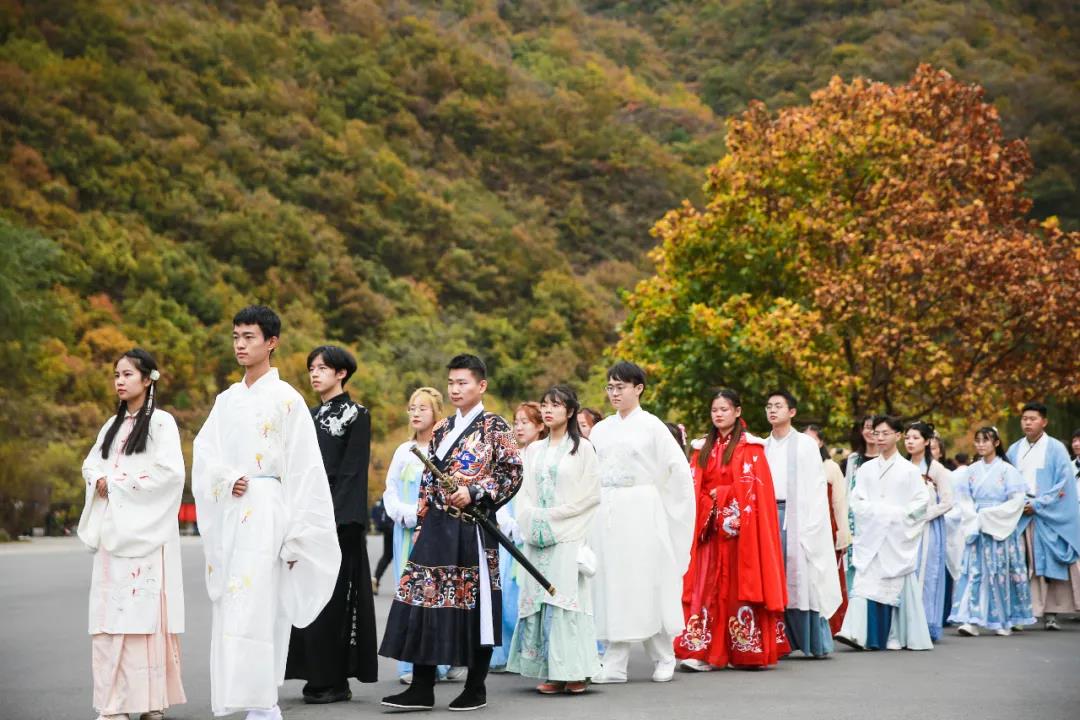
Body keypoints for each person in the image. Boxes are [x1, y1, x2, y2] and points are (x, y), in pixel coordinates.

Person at [193, 306, 341, 719]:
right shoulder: (226, 401)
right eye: (236, 337)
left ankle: (264, 703)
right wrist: (226, 478)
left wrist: (297, 536)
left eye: (249, 337)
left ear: (271, 342)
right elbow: (205, 454)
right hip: (233, 509)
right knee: (234, 603)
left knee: (262, 605)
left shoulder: (287, 399)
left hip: (269, 509)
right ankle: (239, 697)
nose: (240, 345)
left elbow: (306, 471)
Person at [379, 355, 523, 712]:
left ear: (481, 385)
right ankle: (421, 687)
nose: (456, 389)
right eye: (451, 383)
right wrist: (422, 518)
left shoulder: (495, 427)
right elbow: (428, 480)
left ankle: (476, 687)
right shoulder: (442, 428)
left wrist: (475, 491)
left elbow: (512, 473)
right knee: (423, 600)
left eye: (463, 383)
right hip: (436, 526)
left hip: (473, 528)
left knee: (475, 605)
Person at [78, 349, 187, 720]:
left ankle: (149, 702)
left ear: (147, 378)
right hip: (114, 531)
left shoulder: (162, 424)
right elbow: (91, 464)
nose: (120, 381)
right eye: (116, 375)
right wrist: (100, 479)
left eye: (127, 374)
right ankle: (115, 705)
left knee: (144, 617)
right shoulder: (111, 425)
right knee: (110, 618)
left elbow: (170, 474)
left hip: (146, 533)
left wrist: (116, 483)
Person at [588, 361, 695, 684]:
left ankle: (664, 655)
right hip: (607, 511)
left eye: (620, 387)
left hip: (641, 509)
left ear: (638, 388)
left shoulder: (652, 426)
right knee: (611, 582)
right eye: (610, 387)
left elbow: (678, 471)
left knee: (647, 580)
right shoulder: (601, 429)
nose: (614, 393)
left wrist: (666, 507)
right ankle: (615, 661)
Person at [285, 345, 378, 703]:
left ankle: (334, 679)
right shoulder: (305, 416)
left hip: (338, 524)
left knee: (336, 601)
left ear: (341, 373)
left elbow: (354, 472)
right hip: (305, 521)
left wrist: (336, 521)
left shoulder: (357, 415)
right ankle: (313, 673)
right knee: (307, 597)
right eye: (311, 368)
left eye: (322, 368)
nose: (315, 373)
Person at [675, 389, 789, 670]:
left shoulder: (752, 449)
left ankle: (743, 650)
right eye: (714, 410)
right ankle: (703, 651)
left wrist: (724, 497)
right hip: (709, 531)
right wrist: (710, 503)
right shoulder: (702, 448)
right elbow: (692, 488)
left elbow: (756, 493)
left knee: (738, 587)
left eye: (724, 409)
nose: (718, 414)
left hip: (741, 533)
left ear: (737, 412)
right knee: (706, 588)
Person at [507, 385, 602, 694]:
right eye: (545, 405)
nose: (548, 410)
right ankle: (549, 670)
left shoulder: (583, 449)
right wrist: (533, 519)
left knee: (566, 601)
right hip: (537, 533)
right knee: (539, 601)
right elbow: (523, 493)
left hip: (568, 534)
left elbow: (591, 495)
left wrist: (557, 518)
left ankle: (573, 670)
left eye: (556, 405)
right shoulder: (533, 450)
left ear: (570, 411)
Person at [381, 387, 458, 685]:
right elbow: (390, 489)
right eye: (412, 408)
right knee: (408, 596)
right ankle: (409, 665)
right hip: (405, 532)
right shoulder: (403, 450)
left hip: (435, 532)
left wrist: (425, 516)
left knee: (434, 593)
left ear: (436, 413)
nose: (415, 413)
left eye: (422, 408)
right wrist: (404, 512)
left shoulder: (445, 451)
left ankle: (440, 661)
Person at [836, 415, 932, 651]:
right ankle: (855, 632)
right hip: (871, 536)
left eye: (885, 433)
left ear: (897, 436)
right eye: (876, 433)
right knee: (863, 583)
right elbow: (856, 501)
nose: (879, 437)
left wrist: (894, 515)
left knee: (892, 585)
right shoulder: (866, 469)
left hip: (896, 538)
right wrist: (877, 514)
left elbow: (921, 503)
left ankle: (891, 635)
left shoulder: (909, 471)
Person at [763, 391, 842, 658]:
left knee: (802, 579)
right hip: (769, 515)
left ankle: (812, 641)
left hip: (799, 516)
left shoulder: (806, 445)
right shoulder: (763, 446)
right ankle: (778, 640)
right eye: (769, 406)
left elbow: (817, 487)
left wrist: (811, 525)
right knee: (773, 577)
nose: (772, 410)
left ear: (792, 412)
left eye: (778, 406)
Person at [948, 427, 1035, 636]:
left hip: (999, 527)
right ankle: (971, 619)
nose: (981, 445)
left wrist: (989, 515)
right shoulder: (970, 471)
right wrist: (973, 517)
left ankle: (1003, 620)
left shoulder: (1008, 470)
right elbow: (964, 499)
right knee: (974, 572)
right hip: (977, 525)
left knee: (1000, 572)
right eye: (977, 440)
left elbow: (1016, 501)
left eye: (985, 440)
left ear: (996, 443)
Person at [1008, 402, 1080, 630]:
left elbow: (1063, 484)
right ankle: (1020, 613)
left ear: (1044, 422)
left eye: (1033, 419)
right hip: (1020, 513)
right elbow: (1006, 479)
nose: (1028, 423)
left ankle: (1051, 612)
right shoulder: (1014, 449)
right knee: (1019, 563)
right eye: (1024, 419)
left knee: (1050, 562)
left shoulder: (1056, 448)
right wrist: (1018, 503)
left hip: (1047, 514)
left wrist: (1038, 504)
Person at [490, 403, 548, 671]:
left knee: (530, 595)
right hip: (508, 535)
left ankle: (532, 652)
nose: (519, 427)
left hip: (532, 534)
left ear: (540, 426)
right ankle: (505, 653)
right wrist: (505, 521)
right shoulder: (510, 457)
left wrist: (526, 525)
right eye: (516, 422)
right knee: (504, 595)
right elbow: (498, 492)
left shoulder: (544, 457)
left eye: (526, 422)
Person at [904, 421, 954, 642]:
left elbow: (948, 501)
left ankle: (924, 623)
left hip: (928, 528)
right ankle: (904, 623)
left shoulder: (936, 469)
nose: (910, 442)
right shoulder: (902, 467)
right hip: (904, 526)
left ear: (926, 441)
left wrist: (923, 515)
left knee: (926, 573)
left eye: (915, 438)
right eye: (907, 437)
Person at [804, 424, 850, 635]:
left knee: (828, 575)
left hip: (827, 527)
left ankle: (833, 624)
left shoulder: (830, 467)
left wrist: (843, 533)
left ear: (821, 442)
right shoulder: (798, 466)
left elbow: (839, 502)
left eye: (812, 439)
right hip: (803, 527)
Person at [843, 415, 878, 590]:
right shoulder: (854, 459)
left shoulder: (885, 459)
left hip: (877, 520)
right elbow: (847, 489)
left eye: (874, 428)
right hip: (854, 521)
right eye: (867, 427)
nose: (870, 432)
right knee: (853, 567)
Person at [370, 499, 393, 593]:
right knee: (406, 555)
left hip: (388, 525)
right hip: (401, 525)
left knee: (386, 556)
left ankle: (375, 579)